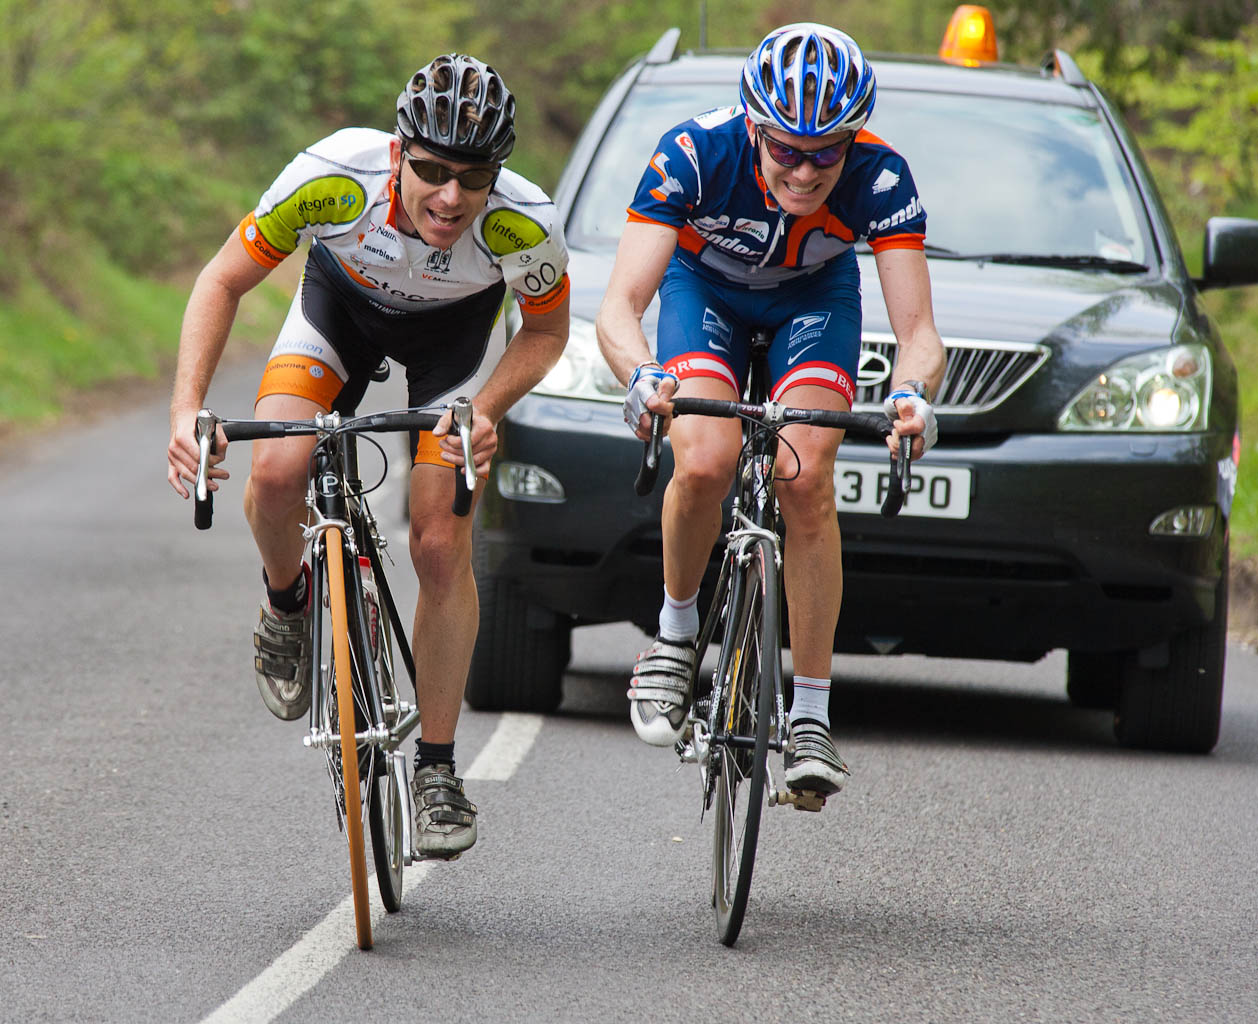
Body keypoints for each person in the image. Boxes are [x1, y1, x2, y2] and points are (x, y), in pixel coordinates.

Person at [166, 54, 570, 858]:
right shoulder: (333, 180)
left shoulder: (522, 223)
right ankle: (286, 605)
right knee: (277, 470)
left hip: (452, 344)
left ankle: (438, 770)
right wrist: (187, 411)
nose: (451, 197)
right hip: (337, 312)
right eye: (430, 171)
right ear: (397, 153)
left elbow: (547, 333)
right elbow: (222, 280)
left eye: (473, 177)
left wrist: (483, 411)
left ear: (499, 174)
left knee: (439, 540)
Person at [596, 23, 945, 797]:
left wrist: (914, 394)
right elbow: (619, 308)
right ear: (754, 128)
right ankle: (676, 635)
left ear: (853, 141)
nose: (805, 169)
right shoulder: (695, 153)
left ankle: (812, 715)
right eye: (787, 148)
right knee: (708, 456)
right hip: (704, 292)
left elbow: (919, 334)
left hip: (813, 301)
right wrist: (642, 374)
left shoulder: (881, 177)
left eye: (828, 152)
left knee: (805, 475)